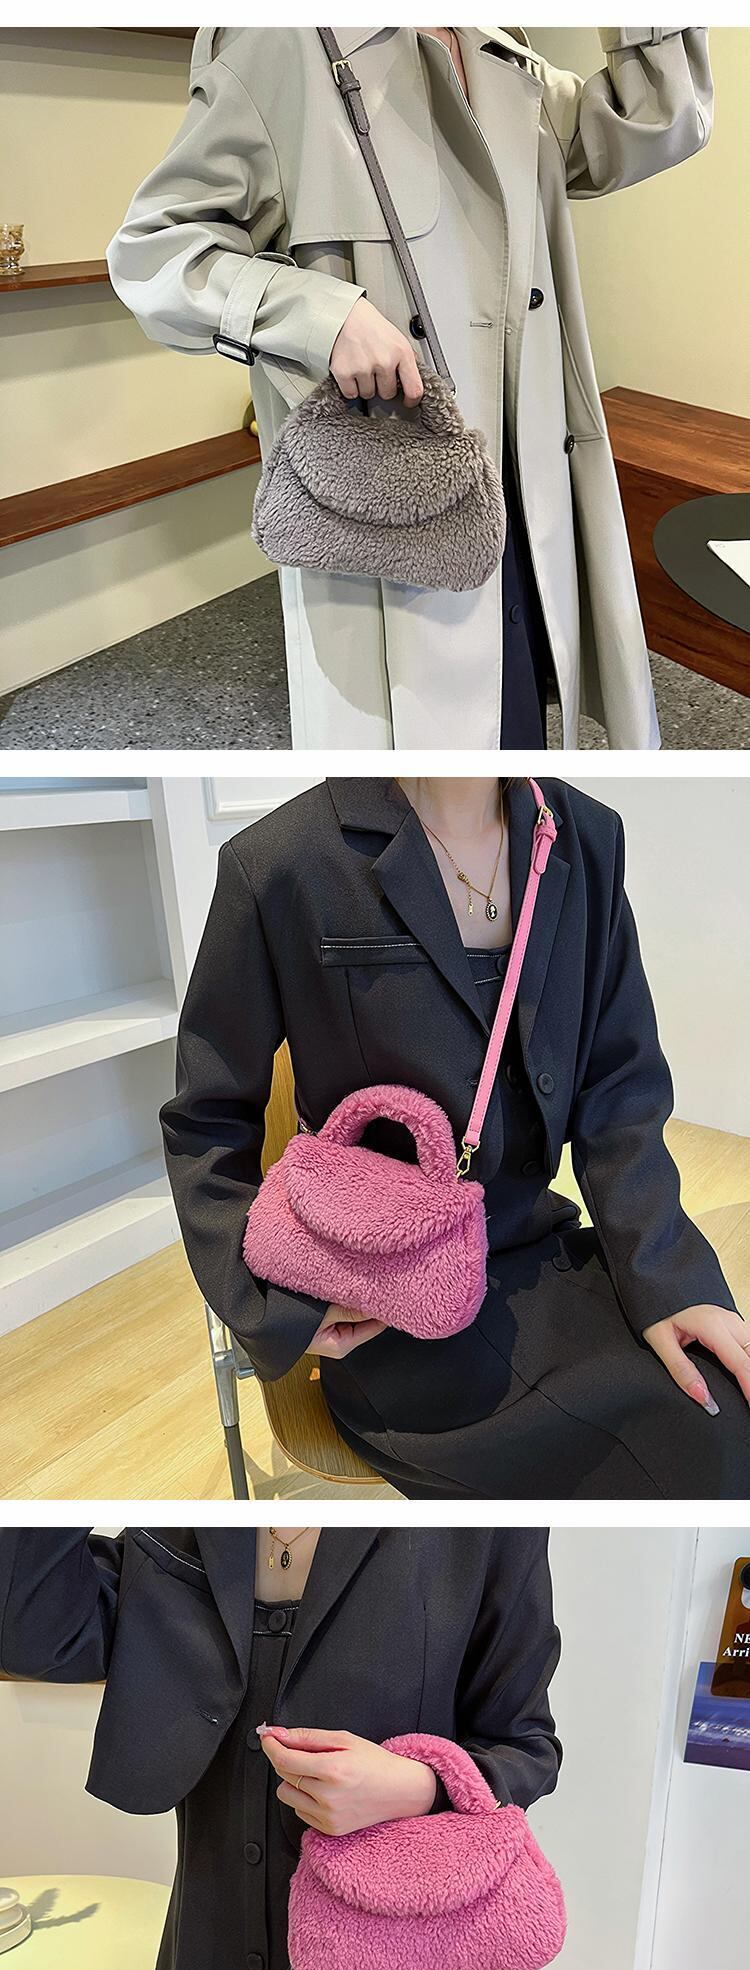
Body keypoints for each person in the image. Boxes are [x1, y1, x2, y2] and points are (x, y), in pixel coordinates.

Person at [107, 26, 713, 750]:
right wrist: (321, 316)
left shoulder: (500, 52)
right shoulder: (281, 43)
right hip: (400, 494)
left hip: (526, 488)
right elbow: (155, 253)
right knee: (432, 746)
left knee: (518, 729)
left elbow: (656, 119)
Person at [160, 774, 750, 1500]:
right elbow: (205, 1118)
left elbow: (620, 1086)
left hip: (546, 1259)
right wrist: (275, 1305)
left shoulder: (584, 835)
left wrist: (668, 1278)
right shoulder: (282, 862)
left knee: (725, 1422)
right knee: (694, 1462)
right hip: (391, 1309)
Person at [0, 1524, 561, 1970]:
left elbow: (526, 1745)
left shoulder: (480, 1534)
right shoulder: (177, 1521)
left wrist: (417, 1786)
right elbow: (32, 1630)